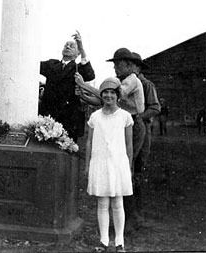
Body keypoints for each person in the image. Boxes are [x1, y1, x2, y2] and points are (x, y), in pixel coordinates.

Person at [82, 77, 133, 252]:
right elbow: (89, 142)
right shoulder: (95, 116)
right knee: (102, 203)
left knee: (118, 203)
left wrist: (129, 164)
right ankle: (104, 241)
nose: (109, 96)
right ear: (101, 95)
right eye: (105, 93)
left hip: (118, 163)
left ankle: (120, 242)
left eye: (112, 93)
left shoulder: (125, 116)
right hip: (100, 162)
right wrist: (88, 164)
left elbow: (129, 144)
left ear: (117, 96)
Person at [39, 31, 95, 140]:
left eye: (72, 46)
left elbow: (90, 75)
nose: (68, 46)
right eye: (66, 45)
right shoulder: (52, 64)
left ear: (78, 53)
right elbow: (32, 64)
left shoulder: (78, 68)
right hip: (48, 114)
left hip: (69, 117)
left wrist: (82, 47)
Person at [128, 52, 160, 227]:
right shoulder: (126, 83)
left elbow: (155, 107)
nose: (130, 68)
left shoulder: (145, 84)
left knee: (137, 171)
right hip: (128, 129)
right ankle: (129, 215)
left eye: (132, 65)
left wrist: (139, 117)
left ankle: (136, 215)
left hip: (142, 129)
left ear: (138, 67)